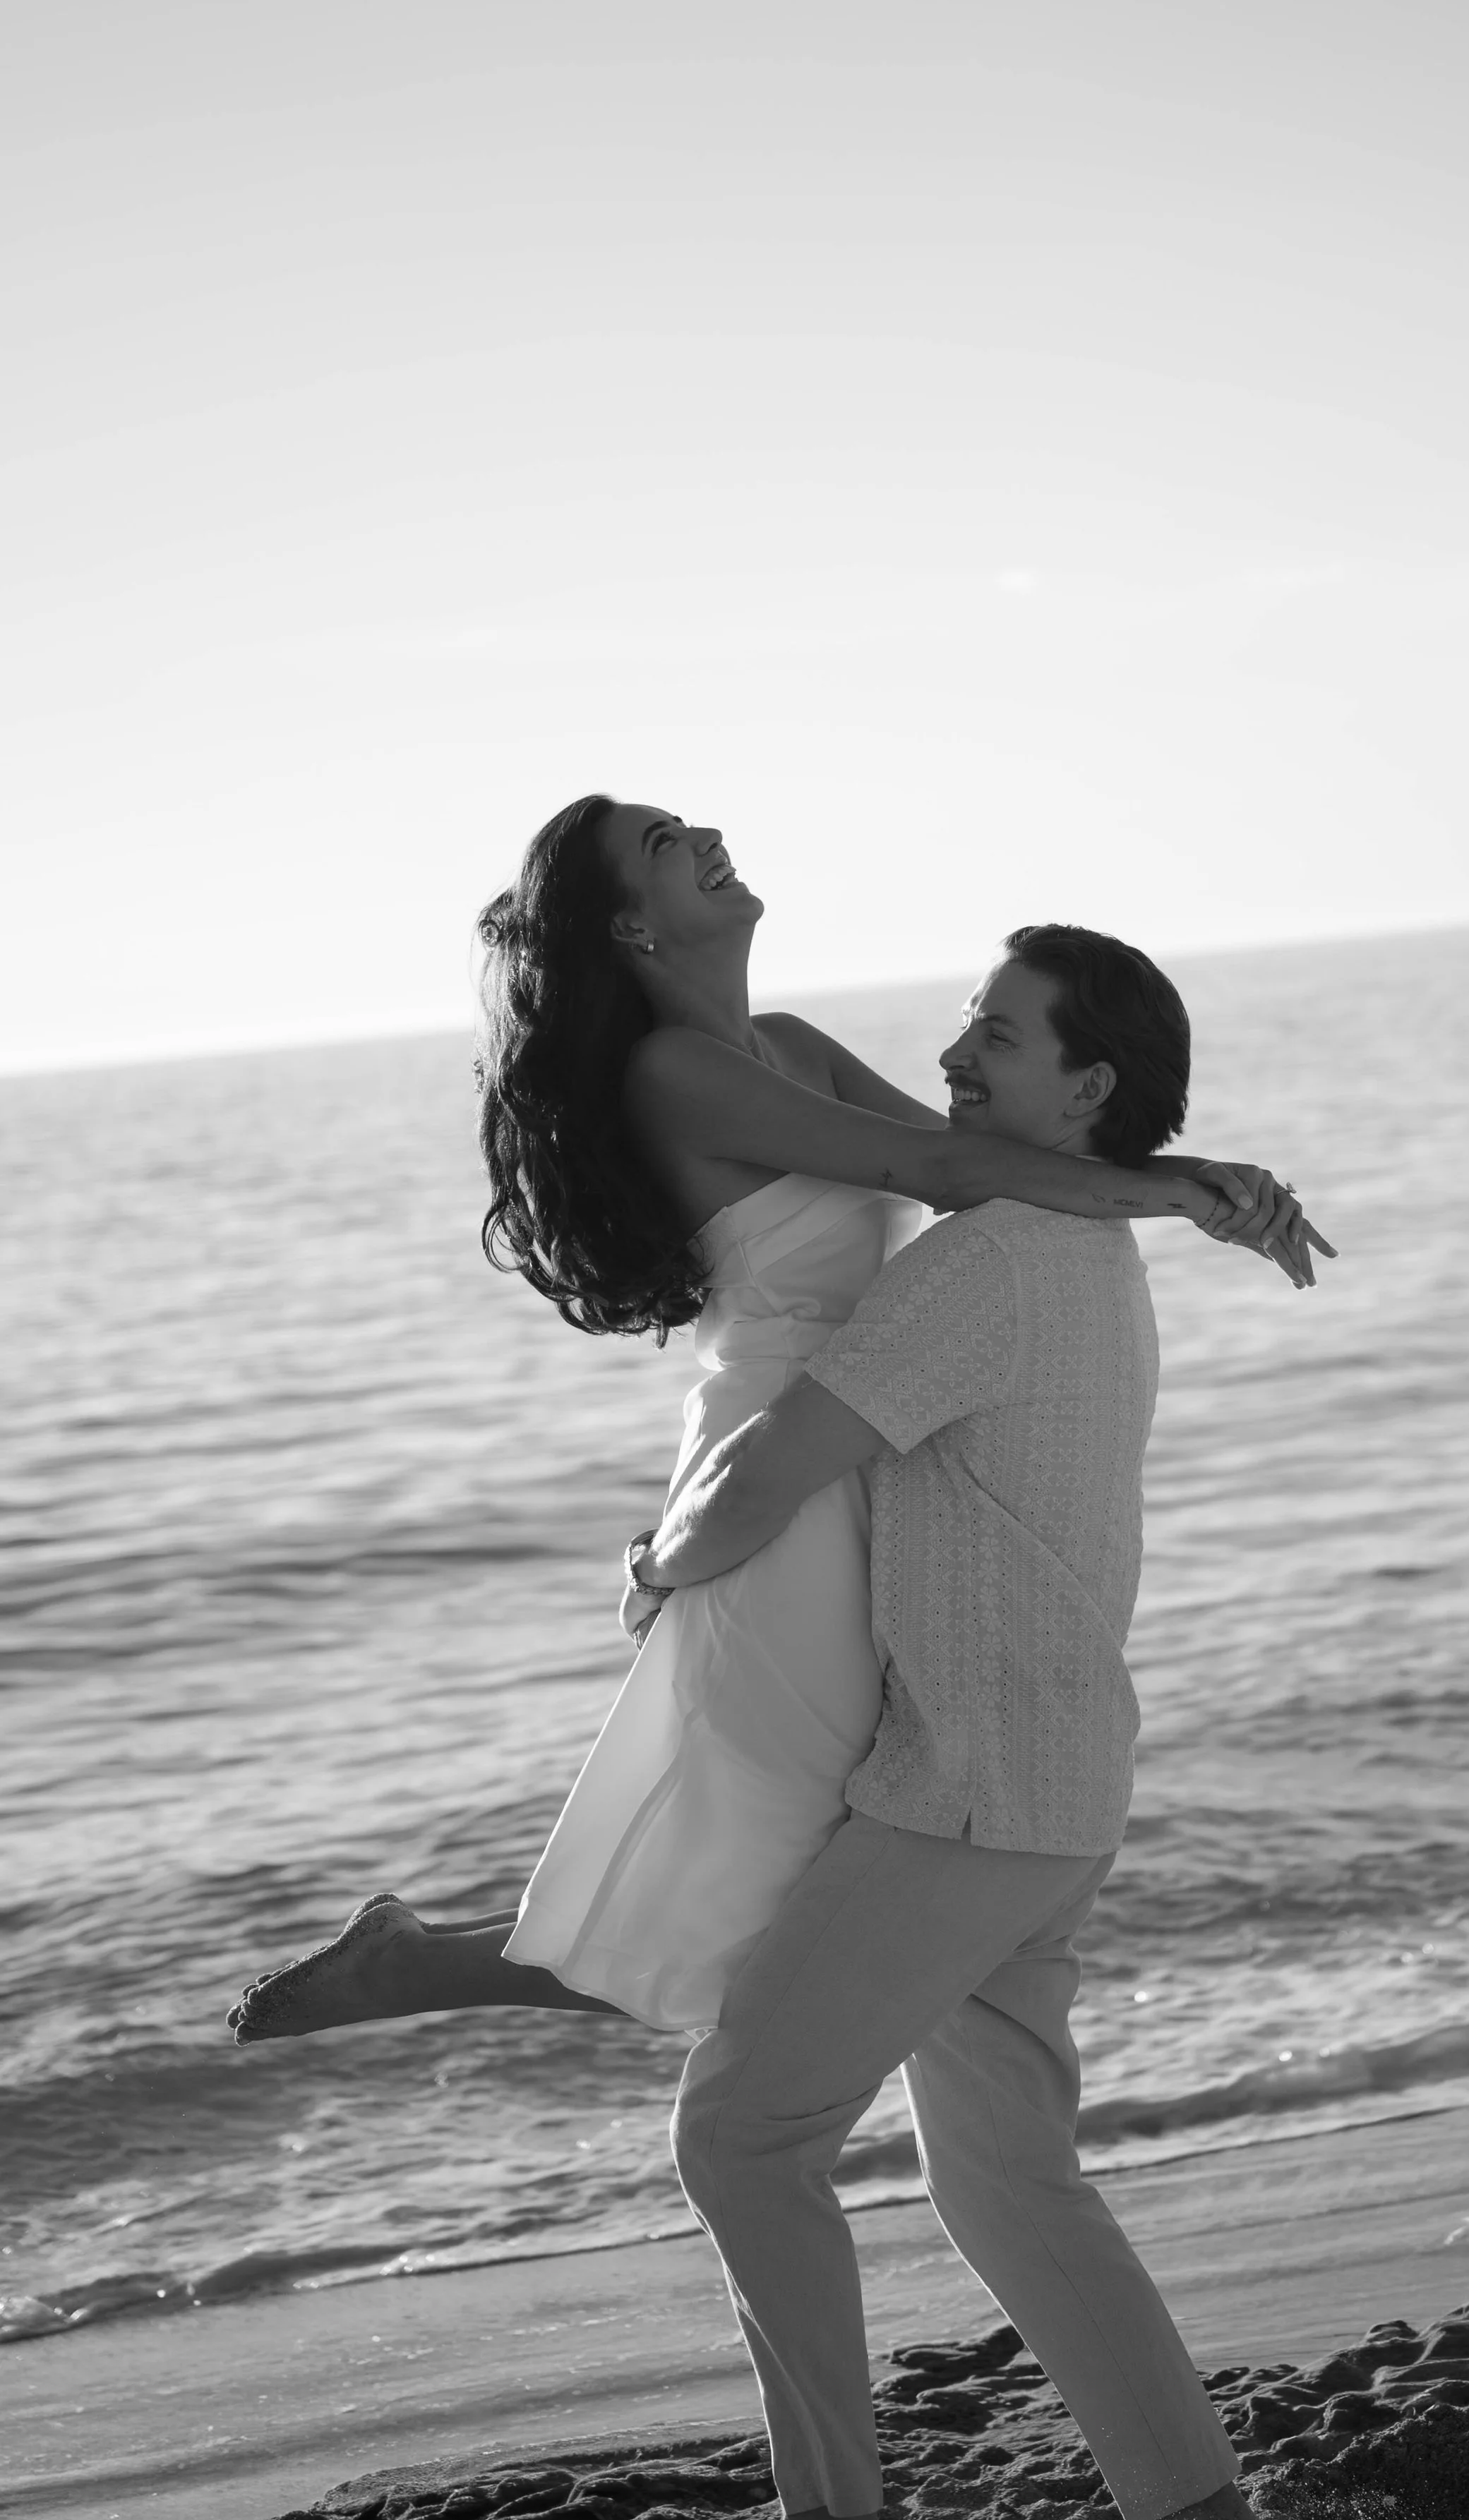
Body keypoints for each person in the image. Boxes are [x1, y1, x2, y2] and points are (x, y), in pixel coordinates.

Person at [227, 797, 1326, 2067]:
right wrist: (1187, 1190)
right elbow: (953, 1176)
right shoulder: (673, 1071)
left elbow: (960, 1157)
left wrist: (1192, 1187)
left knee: (824, 1857)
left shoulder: (791, 1046)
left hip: (876, 1437)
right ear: (631, 928)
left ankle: (430, 1961)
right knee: (777, 1874)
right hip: (786, 1459)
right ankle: (422, 1968)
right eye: (660, 844)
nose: (701, 835)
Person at [628, 922, 1269, 2520]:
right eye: (964, 1022)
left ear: (1086, 1089)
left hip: (968, 1794)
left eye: (995, 1033)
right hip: (1051, 1781)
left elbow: (768, 1465)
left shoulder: (987, 1261)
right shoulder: (1086, 1250)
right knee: (1007, 2185)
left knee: (741, 2133)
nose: (952, 1055)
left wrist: (658, 1562)